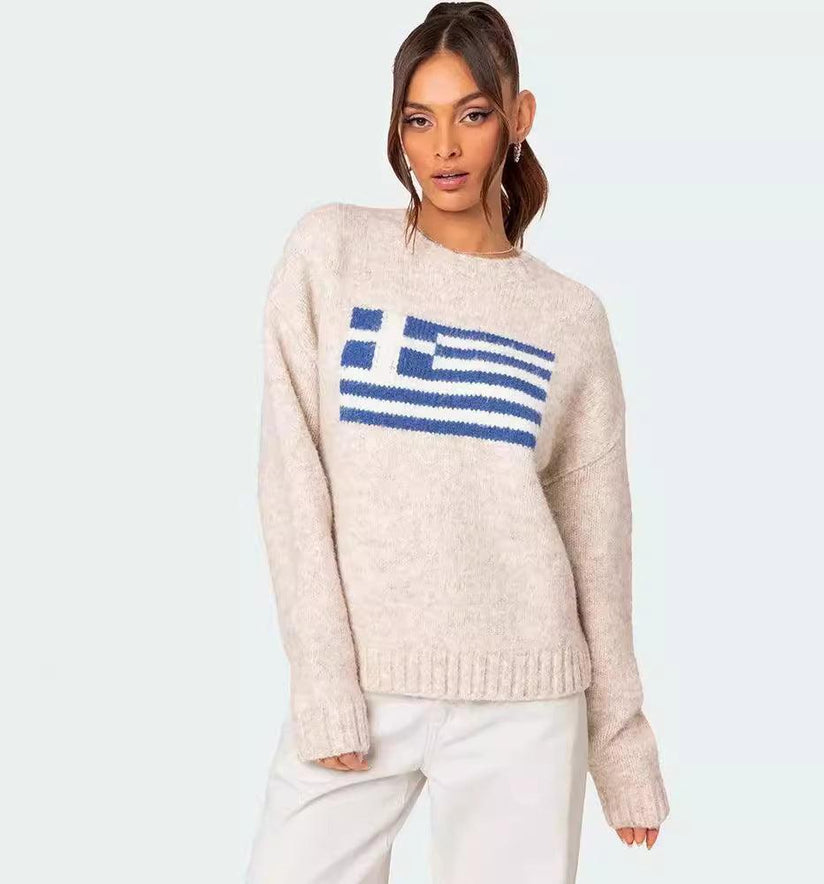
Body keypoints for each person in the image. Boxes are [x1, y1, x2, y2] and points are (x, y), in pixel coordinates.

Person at [245, 3, 670, 882]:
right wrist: (323, 684)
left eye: (472, 115)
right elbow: (292, 479)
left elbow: (598, 543)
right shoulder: (333, 252)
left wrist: (621, 745)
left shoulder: (569, 318)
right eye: (419, 119)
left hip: (527, 702)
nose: (443, 147)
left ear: (518, 118)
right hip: (364, 686)